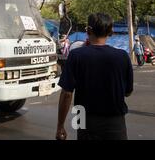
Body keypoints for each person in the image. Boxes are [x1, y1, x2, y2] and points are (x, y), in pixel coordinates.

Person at [56, 13, 133, 141]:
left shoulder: (75, 55)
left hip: (81, 116)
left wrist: (60, 126)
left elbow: (66, 94)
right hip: (115, 120)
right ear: (110, 32)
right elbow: (128, 92)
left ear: (88, 30)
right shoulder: (122, 56)